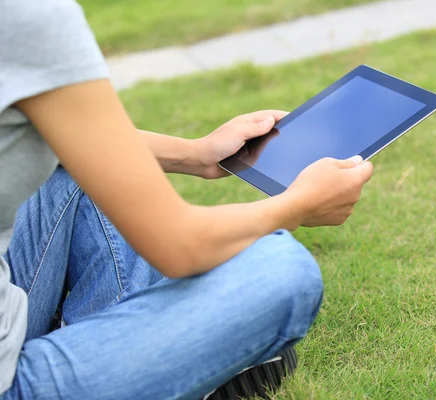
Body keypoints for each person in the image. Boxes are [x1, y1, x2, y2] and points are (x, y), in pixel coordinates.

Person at [0, 1, 373, 399]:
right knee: (283, 268)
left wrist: (195, 154)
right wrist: (297, 205)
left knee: (84, 173)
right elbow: (179, 246)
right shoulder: (29, 17)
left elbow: (71, 137)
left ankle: (114, 354)